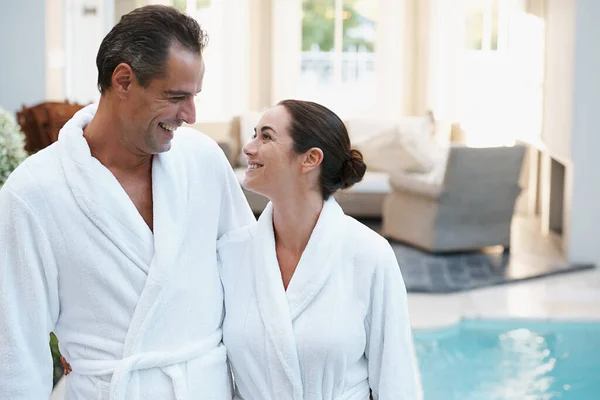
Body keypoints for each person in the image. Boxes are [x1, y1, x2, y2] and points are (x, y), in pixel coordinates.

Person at [0, 5, 254, 400]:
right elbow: (16, 348)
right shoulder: (34, 192)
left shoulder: (204, 161)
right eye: (176, 96)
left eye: (195, 96)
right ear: (123, 80)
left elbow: (249, 284)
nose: (190, 114)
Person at [217, 100, 423, 400]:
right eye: (253, 134)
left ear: (310, 159)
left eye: (266, 136)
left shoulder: (367, 254)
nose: (249, 148)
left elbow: (397, 379)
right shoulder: (231, 253)